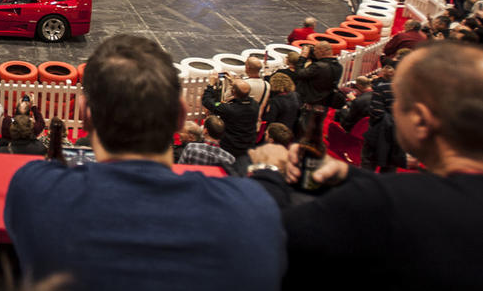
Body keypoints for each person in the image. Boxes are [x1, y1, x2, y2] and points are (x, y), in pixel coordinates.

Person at [6, 34, 284, 291]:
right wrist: (268, 170)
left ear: (85, 117)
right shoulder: (252, 208)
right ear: (180, 116)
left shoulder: (34, 188)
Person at [248, 42, 483, 289]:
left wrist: (269, 171)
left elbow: (276, 235)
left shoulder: (383, 202)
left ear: (420, 121)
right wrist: (350, 176)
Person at [202, 76, 259, 158]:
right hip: (248, 146)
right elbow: (242, 93)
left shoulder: (229, 109)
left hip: (230, 147)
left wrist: (210, 85)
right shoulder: (255, 105)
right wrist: (234, 83)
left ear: (233, 91)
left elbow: (207, 101)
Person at [292, 41, 342, 106]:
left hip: (310, 102)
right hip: (324, 101)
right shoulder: (338, 66)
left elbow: (298, 73)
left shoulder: (318, 67)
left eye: (315, 51)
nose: (314, 53)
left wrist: (303, 57)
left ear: (321, 51)